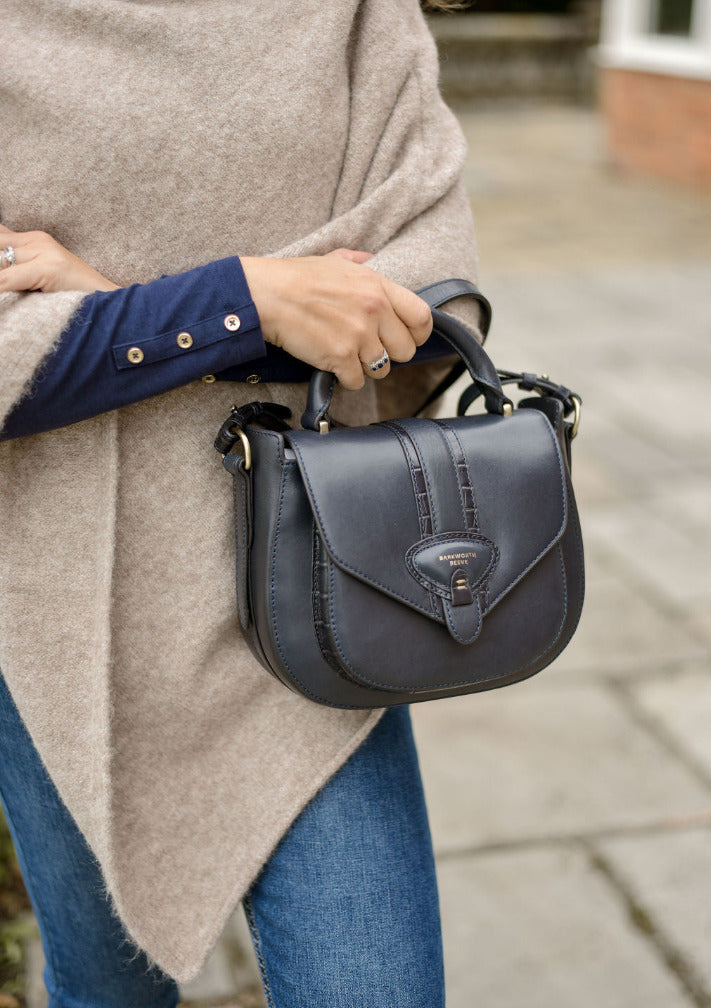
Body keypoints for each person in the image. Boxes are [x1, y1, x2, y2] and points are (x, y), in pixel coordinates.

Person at [0, 1, 483, 1005]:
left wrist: (133, 305)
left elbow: (431, 302)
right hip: (52, 601)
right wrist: (240, 300)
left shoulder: (356, 13)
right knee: (104, 991)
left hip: (320, 579)